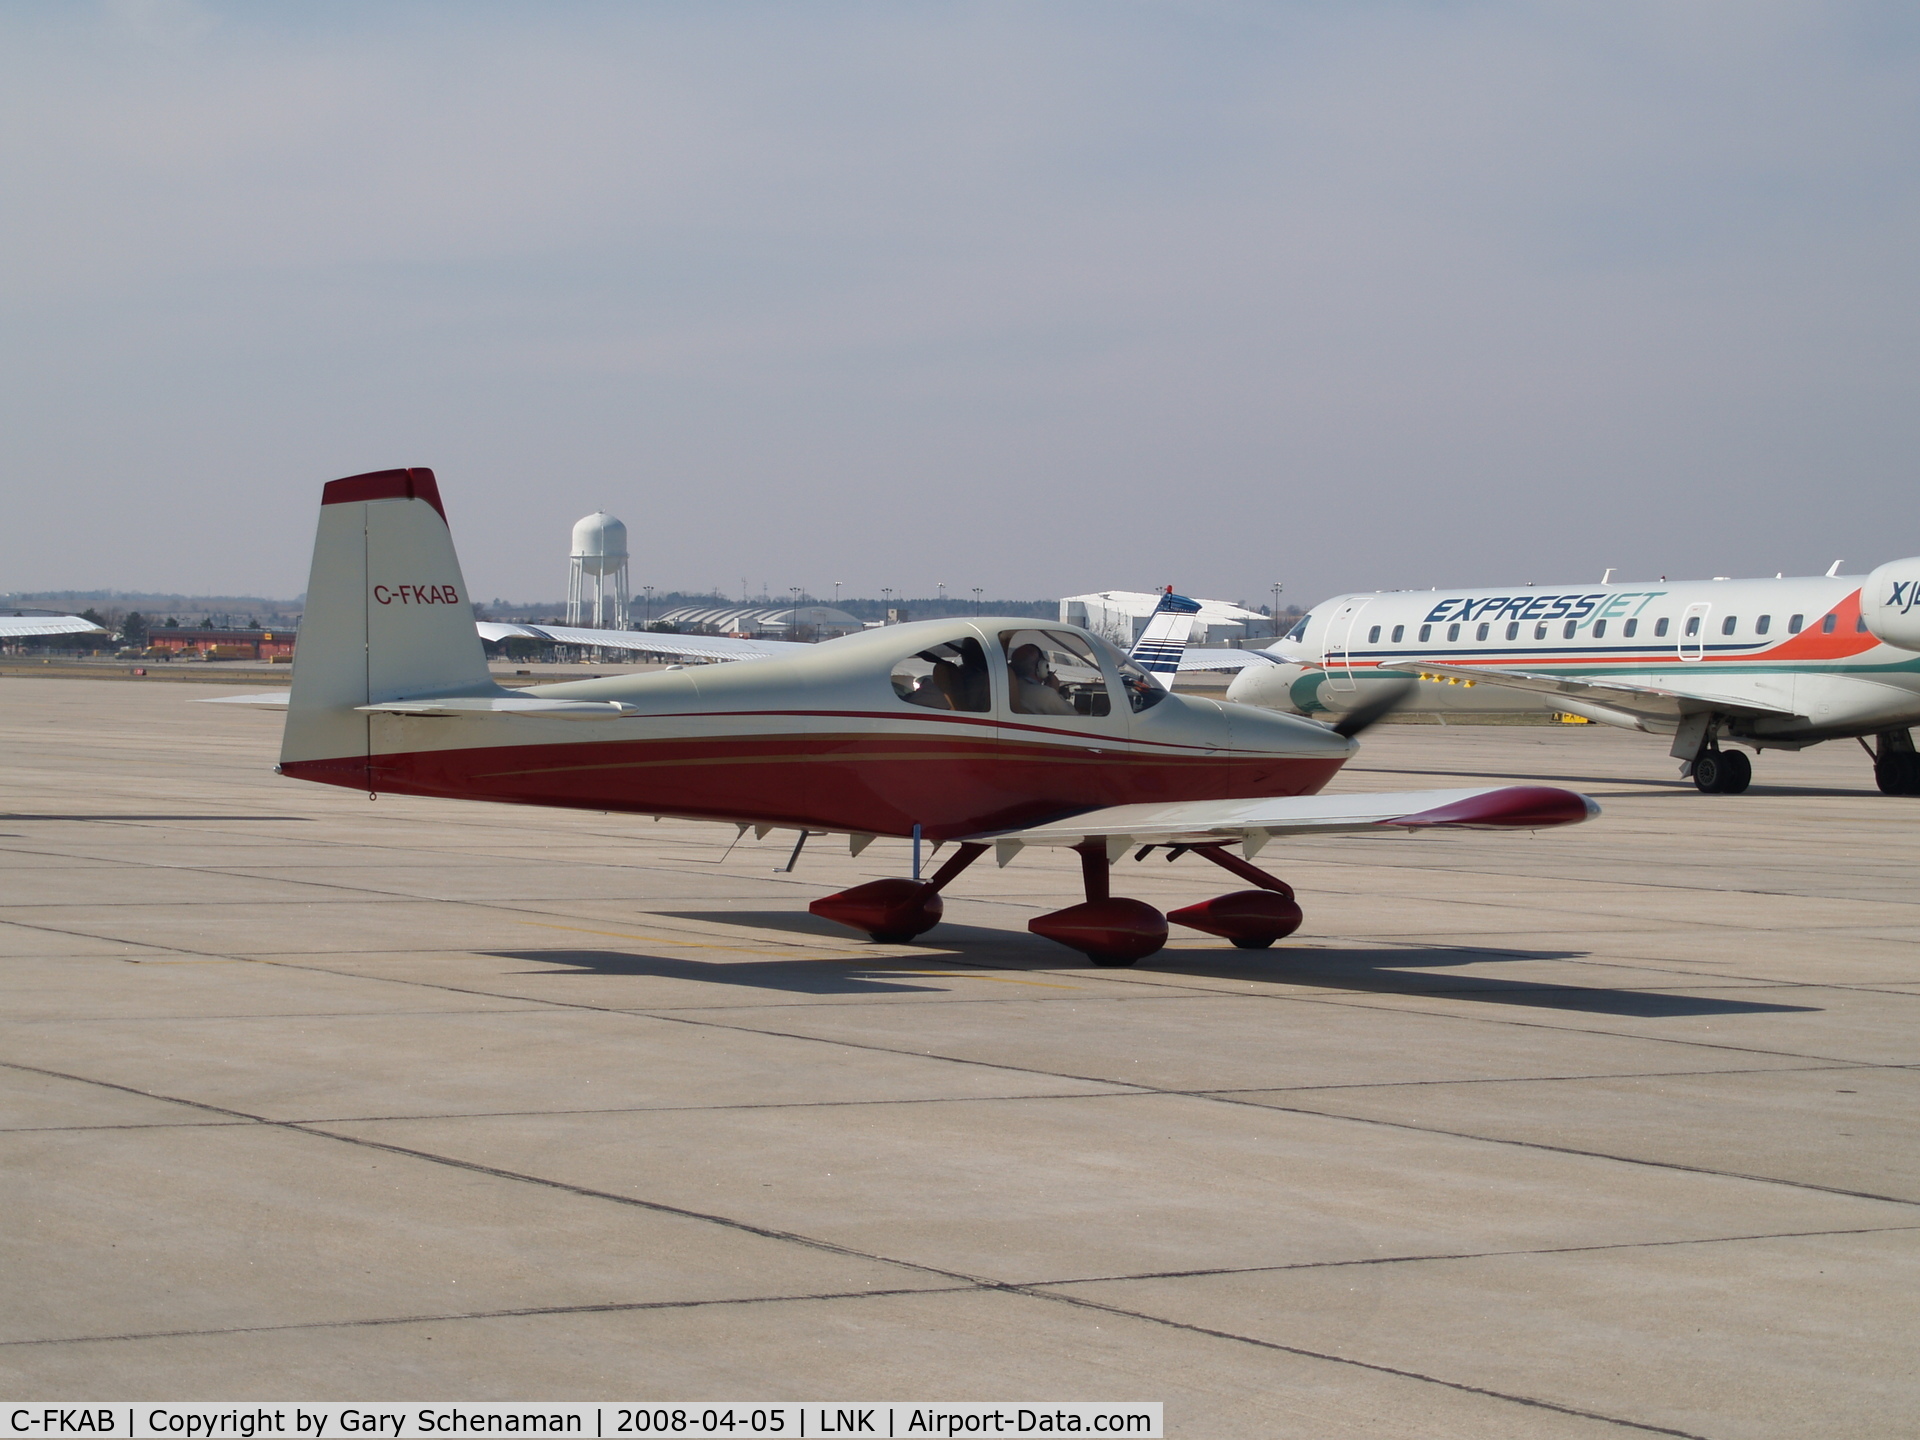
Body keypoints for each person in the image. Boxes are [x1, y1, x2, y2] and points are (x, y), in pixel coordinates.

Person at [1008, 642, 1074, 715]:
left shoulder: (1010, 688)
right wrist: (1055, 690)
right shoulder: (1047, 695)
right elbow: (1074, 716)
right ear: (1042, 666)